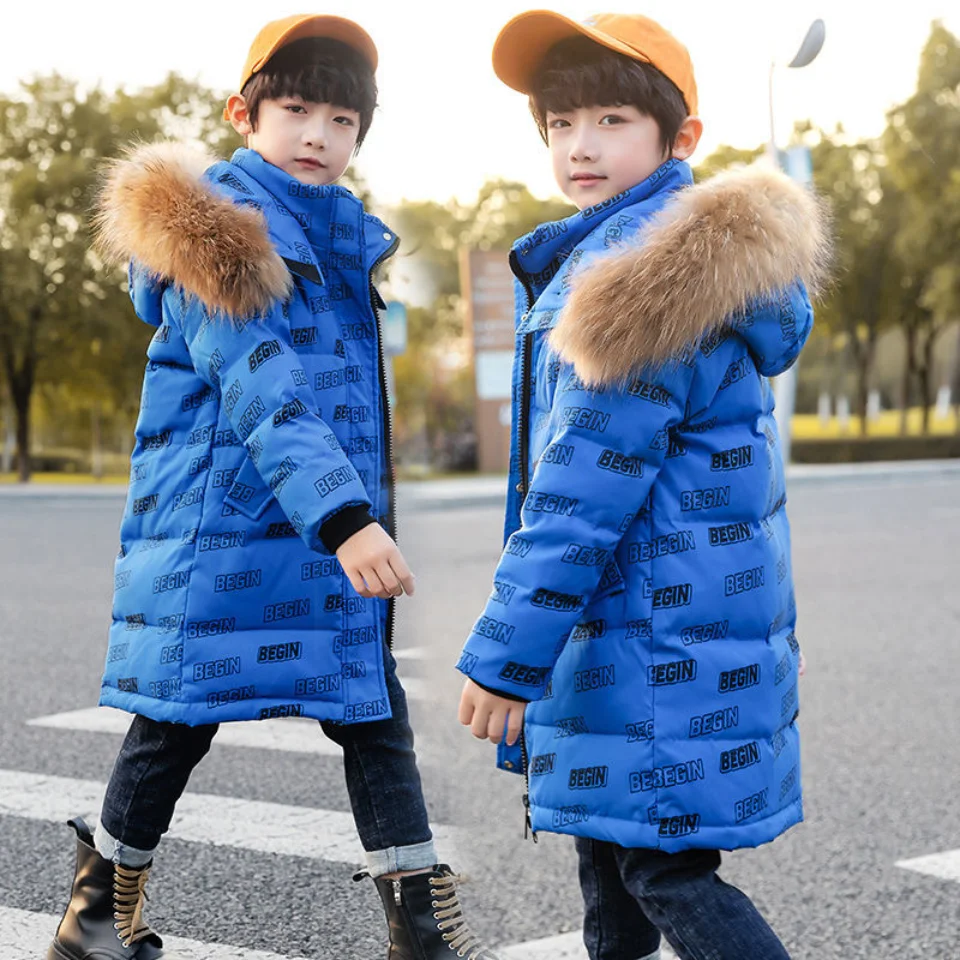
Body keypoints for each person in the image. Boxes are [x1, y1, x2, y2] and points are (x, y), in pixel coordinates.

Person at [48, 15, 499, 960]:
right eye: (295, 110)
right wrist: (348, 520)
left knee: (371, 711)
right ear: (242, 114)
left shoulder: (340, 237)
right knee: (175, 721)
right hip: (224, 535)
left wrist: (343, 520)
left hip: (315, 530)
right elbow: (263, 387)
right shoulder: (210, 235)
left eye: (342, 120)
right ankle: (96, 917)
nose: (317, 136)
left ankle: (421, 931)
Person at [456, 12, 828, 960]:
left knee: (661, 871)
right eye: (560, 123)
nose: (580, 146)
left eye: (612, 120)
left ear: (680, 137)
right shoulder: (631, 260)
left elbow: (580, 499)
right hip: (650, 638)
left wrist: (506, 655)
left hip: (654, 649)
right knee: (610, 858)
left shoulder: (641, 288)